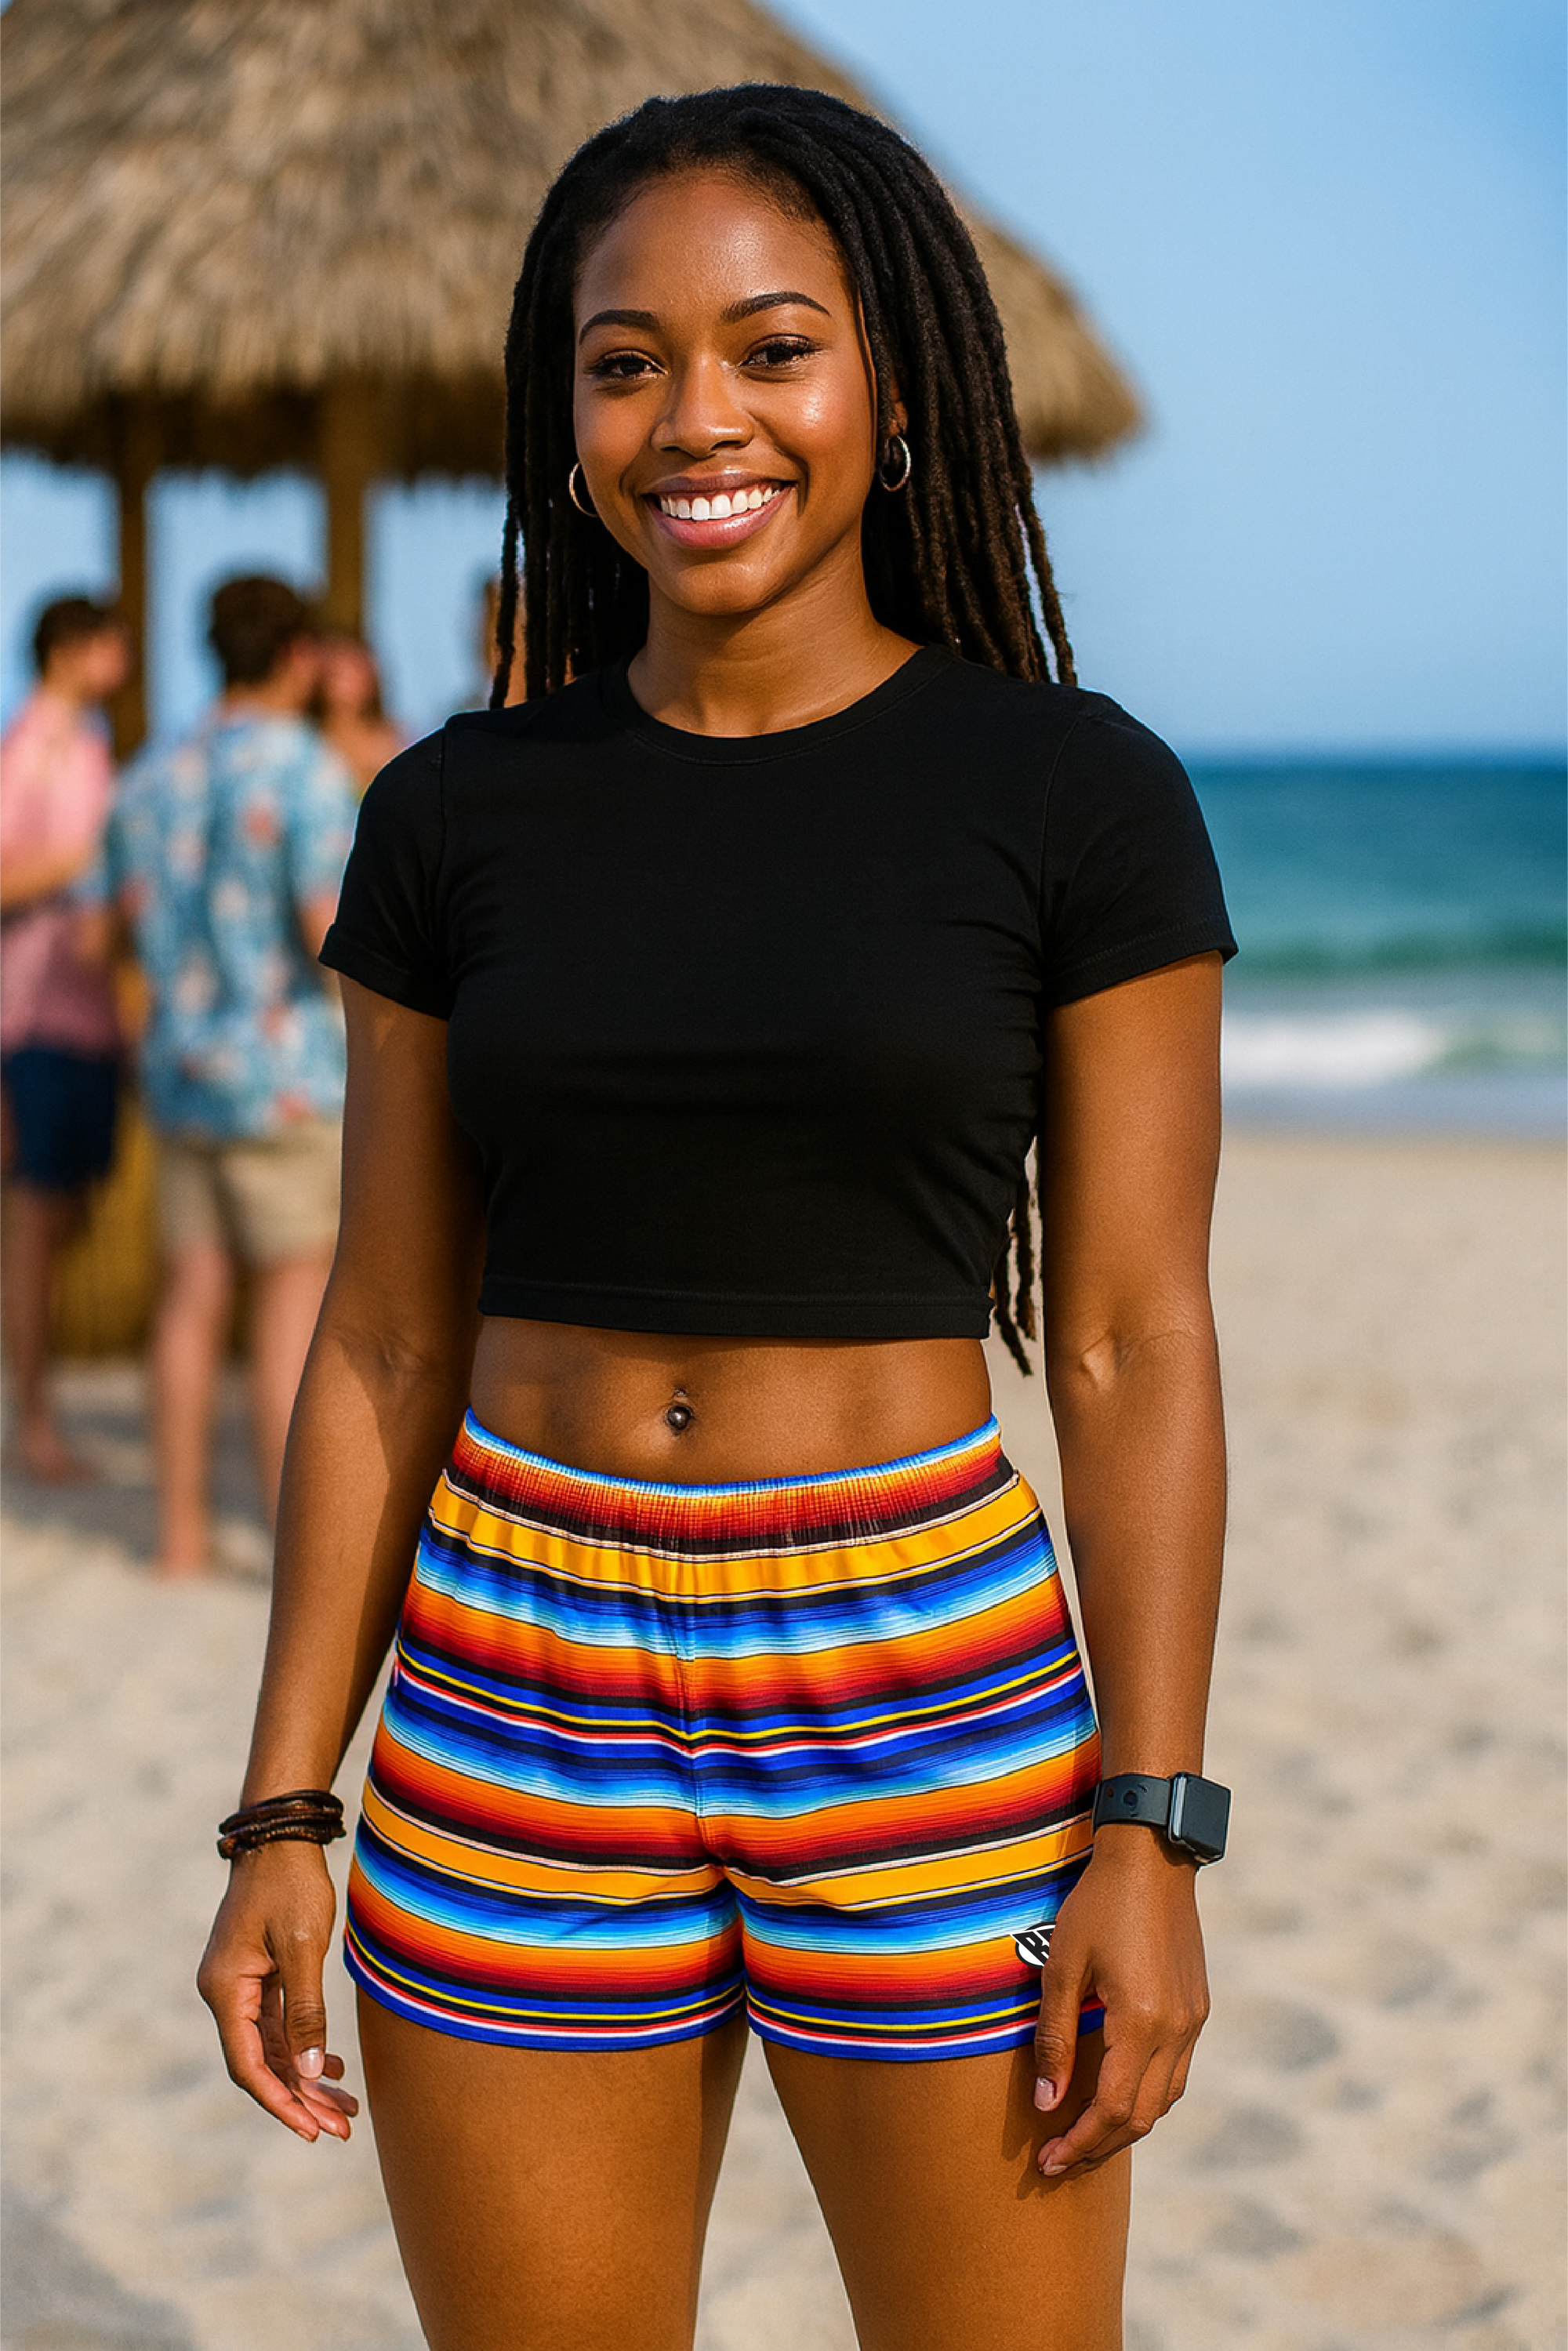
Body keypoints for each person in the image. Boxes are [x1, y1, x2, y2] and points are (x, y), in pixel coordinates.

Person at [198, 88, 1237, 2351]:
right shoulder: (455, 812)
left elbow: (1137, 1335)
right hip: (511, 1668)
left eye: (774, 347)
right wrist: (286, 1796)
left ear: (897, 378)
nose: (699, 419)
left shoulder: (1076, 797)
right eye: (624, 360)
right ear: (561, 407)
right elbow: (380, 1334)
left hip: (922, 1666)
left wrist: (1151, 1823)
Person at [102, 576, 357, 1574]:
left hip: (180, 1064)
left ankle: (178, 1532)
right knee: (291, 1302)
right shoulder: (303, 767)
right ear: (296, 654)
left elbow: (107, 929)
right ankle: (294, 1543)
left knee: (188, 1297)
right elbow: (323, 927)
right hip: (285, 1071)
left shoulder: (154, 769)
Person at [0, 594, 130, 1481]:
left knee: (65, 1214)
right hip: (34, 1015)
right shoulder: (34, 745)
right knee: (36, 1220)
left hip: (88, 1017)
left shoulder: (85, 745)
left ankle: (40, 1410)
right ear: (75, 648)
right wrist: (96, 856)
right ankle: (34, 1419)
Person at [309, 632, 405, 795]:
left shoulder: (392, 741)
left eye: (357, 670)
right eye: (340, 673)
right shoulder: (309, 740)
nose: (350, 681)